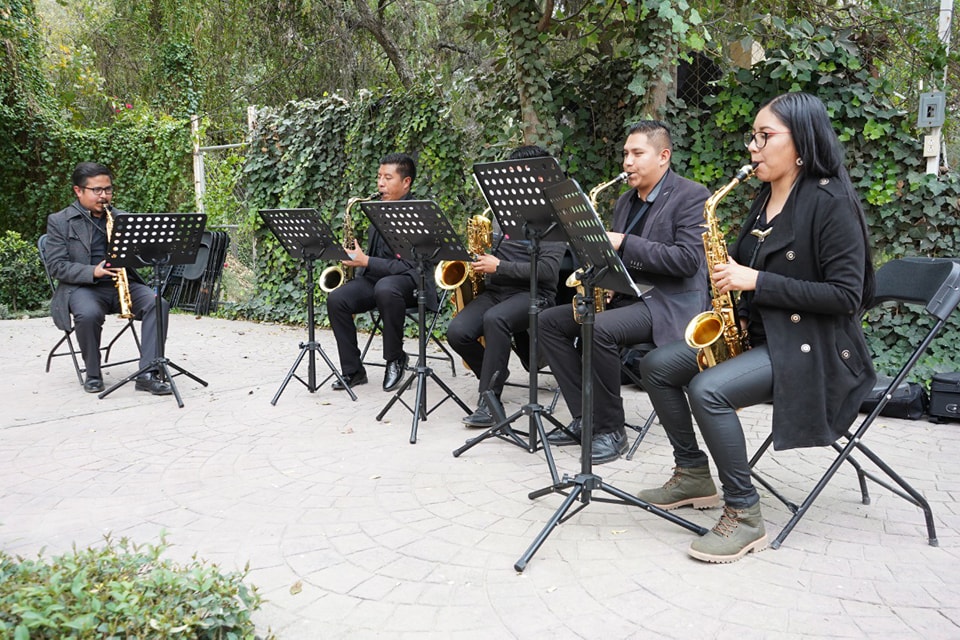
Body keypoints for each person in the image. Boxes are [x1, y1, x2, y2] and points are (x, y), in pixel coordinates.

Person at [634, 91, 877, 563]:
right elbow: (743, 270)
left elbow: (848, 297)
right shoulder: (766, 195)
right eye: (754, 137)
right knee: (658, 364)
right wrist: (729, 275)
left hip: (813, 347)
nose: (753, 147)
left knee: (708, 389)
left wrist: (757, 281)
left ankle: (744, 514)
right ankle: (692, 474)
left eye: (766, 137)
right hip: (758, 334)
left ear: (802, 142)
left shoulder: (832, 203)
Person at [539, 121, 711, 464]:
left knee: (600, 329)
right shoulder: (624, 202)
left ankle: (611, 430)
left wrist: (625, 243)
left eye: (637, 154)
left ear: (663, 156)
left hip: (670, 304)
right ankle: (585, 417)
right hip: (630, 297)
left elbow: (689, 261)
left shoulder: (693, 196)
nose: (627, 163)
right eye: (625, 154)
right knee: (549, 322)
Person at [446, 145, 567, 427]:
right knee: (457, 332)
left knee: (495, 319)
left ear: (538, 177)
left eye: (515, 175)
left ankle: (489, 402)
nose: (507, 182)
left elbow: (548, 272)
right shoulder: (502, 213)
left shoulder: (554, 218)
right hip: (497, 291)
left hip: (534, 293)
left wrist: (499, 266)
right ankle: (496, 372)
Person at [45, 162, 172, 395]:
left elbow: (141, 256)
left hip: (124, 283)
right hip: (83, 287)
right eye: (97, 190)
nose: (104, 196)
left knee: (158, 304)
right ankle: (93, 373)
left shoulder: (122, 217)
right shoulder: (60, 221)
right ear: (78, 191)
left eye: (108, 189)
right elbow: (57, 266)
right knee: (89, 313)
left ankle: (148, 373)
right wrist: (93, 271)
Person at [327, 153, 437, 392]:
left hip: (411, 284)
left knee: (386, 288)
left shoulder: (419, 214)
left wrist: (365, 261)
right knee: (338, 299)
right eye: (379, 177)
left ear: (406, 182)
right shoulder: (377, 210)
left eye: (388, 178)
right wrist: (355, 259)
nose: (380, 183)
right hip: (376, 281)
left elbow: (412, 267)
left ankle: (395, 358)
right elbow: (373, 259)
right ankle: (353, 370)